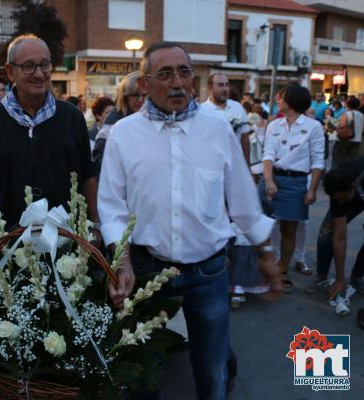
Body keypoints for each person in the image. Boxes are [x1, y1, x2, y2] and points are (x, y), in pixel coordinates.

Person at [98, 41, 276, 399]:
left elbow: (241, 197)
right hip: (148, 271)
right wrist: (123, 261)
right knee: (143, 369)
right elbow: (112, 206)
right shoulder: (124, 134)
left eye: (184, 72)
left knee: (211, 370)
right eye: (164, 74)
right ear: (144, 85)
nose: (177, 82)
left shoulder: (217, 128)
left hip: (208, 272)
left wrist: (266, 255)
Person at [0, 34, 99, 232]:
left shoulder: (72, 117)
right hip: (10, 248)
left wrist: (95, 226)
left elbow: (87, 175)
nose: (39, 74)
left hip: (69, 245)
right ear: (10, 71)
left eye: (45, 64)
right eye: (29, 66)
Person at [260, 83, 325, 293]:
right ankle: (267, 267)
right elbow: (267, 154)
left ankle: (283, 271)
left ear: (292, 100)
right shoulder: (273, 125)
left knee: (289, 230)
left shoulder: (314, 127)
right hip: (273, 178)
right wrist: (268, 181)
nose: (278, 101)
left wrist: (312, 189)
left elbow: (317, 161)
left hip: (296, 183)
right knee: (262, 228)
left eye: (281, 97)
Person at [307, 156, 364, 315]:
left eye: (342, 198)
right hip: (350, 191)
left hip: (358, 191)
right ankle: (322, 277)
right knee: (327, 232)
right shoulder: (338, 184)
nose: (340, 202)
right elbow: (339, 237)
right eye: (337, 199)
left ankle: (357, 276)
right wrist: (339, 279)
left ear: (352, 186)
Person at [92, 71, 145, 172]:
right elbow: (101, 169)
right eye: (135, 95)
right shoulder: (110, 129)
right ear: (125, 97)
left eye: (145, 95)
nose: (140, 100)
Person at [201, 73, 251, 163]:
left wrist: (247, 165)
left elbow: (245, 139)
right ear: (210, 88)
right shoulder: (201, 111)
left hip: (236, 164)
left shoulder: (238, 107)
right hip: (211, 165)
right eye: (220, 85)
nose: (225, 89)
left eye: (227, 85)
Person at [333, 96, 363, 168]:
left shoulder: (347, 114)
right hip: (357, 140)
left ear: (348, 105)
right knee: (351, 161)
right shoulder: (362, 115)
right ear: (358, 105)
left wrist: (333, 124)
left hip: (345, 140)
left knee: (341, 160)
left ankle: (340, 176)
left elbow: (342, 125)